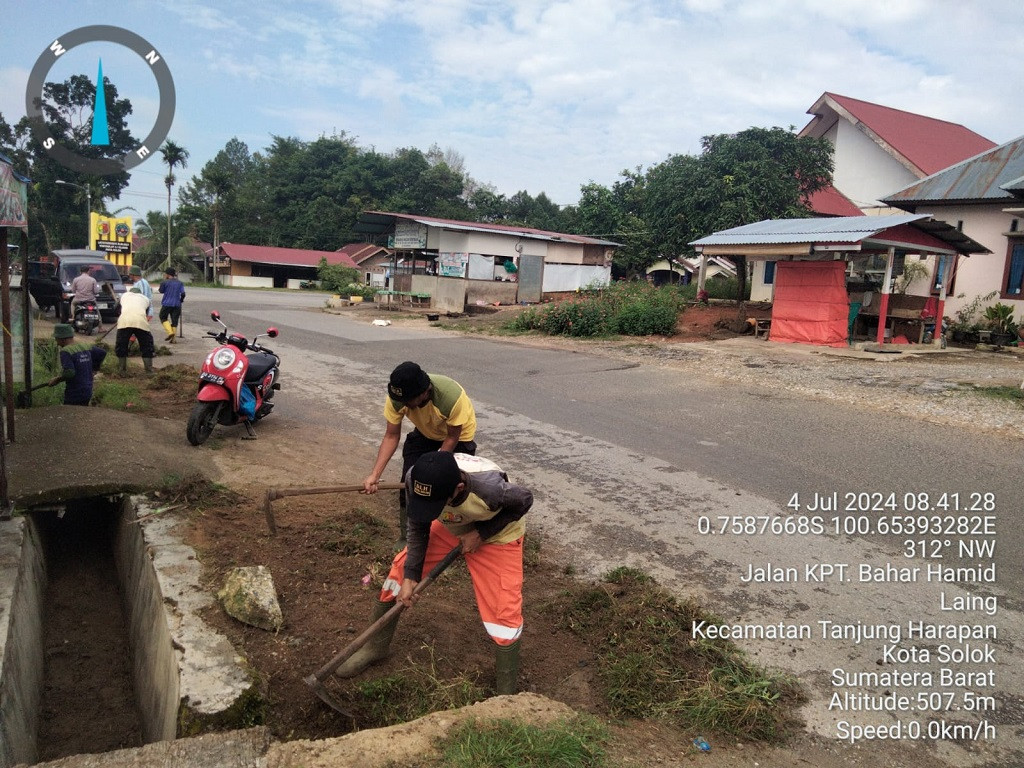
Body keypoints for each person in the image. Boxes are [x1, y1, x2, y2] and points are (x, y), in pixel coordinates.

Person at [339, 451, 532, 695]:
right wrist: (411, 576)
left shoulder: (490, 490)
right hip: (452, 523)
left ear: (459, 487)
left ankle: (506, 694)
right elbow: (418, 525)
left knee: (503, 611)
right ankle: (375, 647)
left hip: (498, 534)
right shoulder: (416, 479)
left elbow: (525, 500)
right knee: (399, 574)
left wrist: (481, 534)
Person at [362, 361, 478, 545]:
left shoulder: (451, 398)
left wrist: (434, 470)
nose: (403, 404)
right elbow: (391, 436)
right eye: (401, 400)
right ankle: (407, 538)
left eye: (408, 401)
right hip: (425, 434)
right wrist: (375, 475)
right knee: (410, 483)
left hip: (458, 438)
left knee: (451, 489)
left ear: (424, 392)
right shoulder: (397, 398)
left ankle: (453, 538)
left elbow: (452, 437)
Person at [48, 323, 107, 406]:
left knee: (70, 415)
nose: (57, 343)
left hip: (74, 392)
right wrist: (94, 369)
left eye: (56, 339)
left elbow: (69, 373)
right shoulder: (85, 346)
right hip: (88, 389)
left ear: (62, 339)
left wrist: (57, 380)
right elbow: (102, 353)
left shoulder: (66, 351)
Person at [115, 286, 155, 373]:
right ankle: (149, 371)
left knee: (121, 345)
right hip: (141, 322)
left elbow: (116, 308)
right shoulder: (145, 299)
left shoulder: (124, 296)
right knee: (147, 346)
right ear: (140, 294)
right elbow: (146, 312)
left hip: (124, 322)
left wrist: (121, 313)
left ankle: (122, 370)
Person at [69, 264, 104, 332]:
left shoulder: (76, 279)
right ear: (88, 271)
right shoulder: (93, 280)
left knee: (72, 304)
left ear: (80, 271)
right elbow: (96, 291)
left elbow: (73, 290)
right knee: (97, 310)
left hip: (78, 299)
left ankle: (73, 317)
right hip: (91, 300)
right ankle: (100, 327)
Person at [158, 267, 185, 343]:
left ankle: (170, 332)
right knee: (174, 321)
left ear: (167, 274)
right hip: (177, 304)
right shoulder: (180, 283)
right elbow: (183, 293)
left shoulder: (164, 282)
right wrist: (181, 300)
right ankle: (173, 340)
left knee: (162, 317)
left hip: (167, 303)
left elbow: (161, 291)